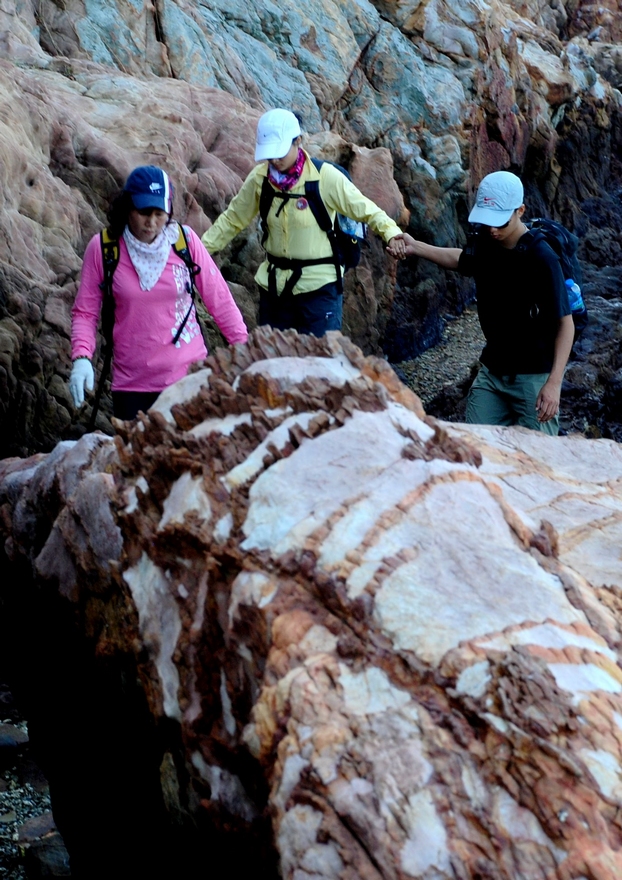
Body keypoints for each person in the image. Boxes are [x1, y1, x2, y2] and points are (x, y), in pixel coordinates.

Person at [388, 171, 574, 435]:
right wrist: (415, 246)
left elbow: (566, 324)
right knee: (476, 444)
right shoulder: (486, 242)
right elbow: (462, 260)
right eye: (488, 222)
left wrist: (554, 384)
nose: (493, 230)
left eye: (501, 223)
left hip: (534, 376)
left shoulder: (542, 258)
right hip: (493, 372)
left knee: (536, 454)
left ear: (520, 211)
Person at [201, 108, 406, 337]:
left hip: (319, 293)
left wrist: (392, 234)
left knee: (319, 358)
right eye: (270, 154)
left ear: (297, 141)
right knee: (274, 358)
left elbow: (367, 210)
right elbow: (232, 220)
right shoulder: (260, 179)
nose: (275, 160)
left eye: (280, 152)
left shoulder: (325, 177)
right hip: (275, 292)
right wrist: (197, 252)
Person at [69, 165, 248, 421]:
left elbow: (220, 300)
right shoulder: (103, 248)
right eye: (143, 213)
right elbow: (85, 312)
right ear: (127, 207)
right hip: (132, 387)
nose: (151, 223)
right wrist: (82, 357)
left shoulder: (185, 242)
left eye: (159, 214)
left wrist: (244, 351)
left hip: (190, 379)